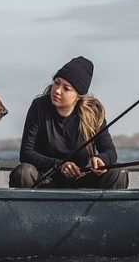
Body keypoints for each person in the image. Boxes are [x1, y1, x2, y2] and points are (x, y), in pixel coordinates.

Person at [9, 56, 128, 189]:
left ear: (78, 95)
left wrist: (102, 160)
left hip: (82, 179)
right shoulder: (39, 107)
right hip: (46, 179)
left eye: (66, 88)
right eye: (56, 83)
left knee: (118, 172)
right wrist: (59, 165)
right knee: (23, 172)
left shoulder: (93, 113)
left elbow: (110, 151)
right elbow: (26, 153)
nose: (57, 90)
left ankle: (101, 210)